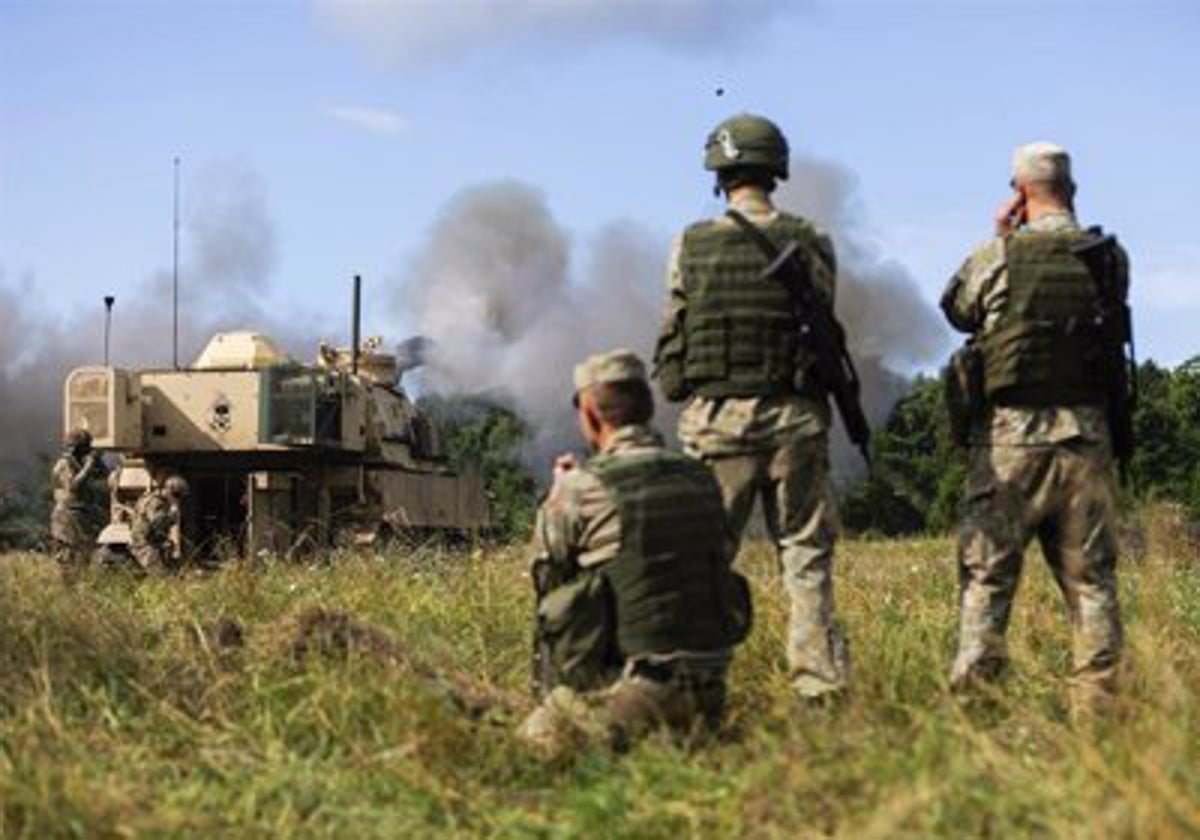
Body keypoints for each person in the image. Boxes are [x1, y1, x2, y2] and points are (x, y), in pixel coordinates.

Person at [652, 113, 850, 700]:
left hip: (718, 422)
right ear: (776, 169)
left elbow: (673, 337)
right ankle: (818, 688)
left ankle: (692, 686)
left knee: (705, 558)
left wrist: (682, 386)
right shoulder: (812, 242)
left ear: (720, 171)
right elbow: (822, 322)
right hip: (795, 419)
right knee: (806, 557)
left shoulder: (691, 244)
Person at [940, 142, 1129, 717]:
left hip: (1010, 444)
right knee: (1091, 583)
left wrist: (1000, 234)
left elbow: (956, 310)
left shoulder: (996, 256)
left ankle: (977, 711)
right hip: (1086, 441)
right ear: (1071, 190)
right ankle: (1098, 714)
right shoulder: (1108, 258)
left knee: (988, 578)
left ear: (1020, 192)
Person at [516, 349, 751, 755]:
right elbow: (721, 553)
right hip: (712, 690)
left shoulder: (582, 487)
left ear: (590, 413)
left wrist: (561, 492)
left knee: (531, 741)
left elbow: (545, 577)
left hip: (640, 690)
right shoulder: (702, 477)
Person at [49, 428, 106, 580]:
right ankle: (70, 587)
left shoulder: (78, 462)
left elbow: (102, 475)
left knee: (84, 552)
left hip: (80, 514)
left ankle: (80, 583)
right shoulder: (64, 463)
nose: (88, 449)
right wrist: (88, 466)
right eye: (86, 446)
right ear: (76, 448)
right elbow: (73, 486)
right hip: (67, 515)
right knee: (69, 553)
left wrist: (97, 461)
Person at [130, 475, 189, 574]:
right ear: (169, 491)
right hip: (145, 546)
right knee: (161, 578)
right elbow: (158, 523)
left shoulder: (152, 498)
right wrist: (173, 513)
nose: (178, 499)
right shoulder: (156, 502)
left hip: (149, 543)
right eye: (177, 495)